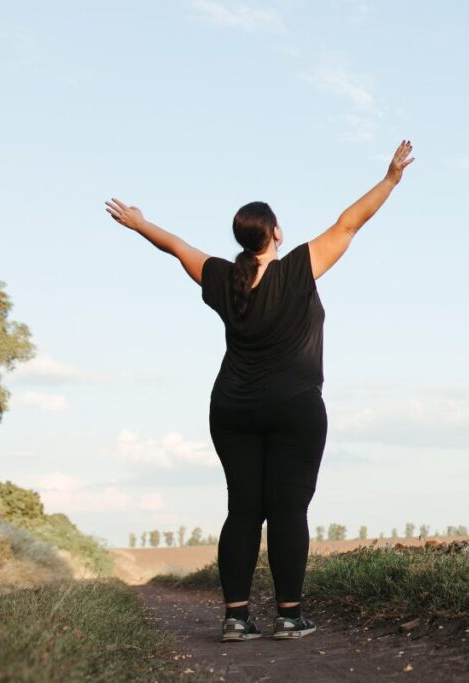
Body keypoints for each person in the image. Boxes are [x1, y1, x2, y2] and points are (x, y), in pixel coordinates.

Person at [104, 139, 415, 642]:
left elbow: (176, 246)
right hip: (294, 406)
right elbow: (349, 223)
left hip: (232, 409)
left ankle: (235, 618)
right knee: (288, 510)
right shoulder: (297, 268)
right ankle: (289, 616)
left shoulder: (223, 278)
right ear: (275, 233)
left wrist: (140, 223)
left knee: (243, 510)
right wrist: (390, 179)